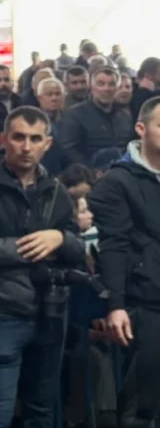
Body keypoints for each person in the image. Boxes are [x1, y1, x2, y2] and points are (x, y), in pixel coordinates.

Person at [0, 106, 86, 428]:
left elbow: (78, 246)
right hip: (0, 311)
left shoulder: (55, 188)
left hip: (51, 310)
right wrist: (38, 246)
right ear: (4, 139)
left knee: (41, 411)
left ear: (48, 144)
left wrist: (59, 239)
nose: (26, 146)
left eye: (35, 139)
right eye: (19, 137)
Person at [91, 96, 160, 428]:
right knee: (141, 405)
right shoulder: (116, 182)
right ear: (141, 128)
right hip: (146, 303)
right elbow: (113, 246)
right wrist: (116, 304)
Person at [59, 67, 134, 166]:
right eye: (101, 84)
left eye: (111, 84)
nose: (106, 89)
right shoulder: (75, 115)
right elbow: (70, 151)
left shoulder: (125, 117)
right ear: (92, 87)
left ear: (116, 88)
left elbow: (130, 147)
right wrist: (91, 170)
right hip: (88, 172)